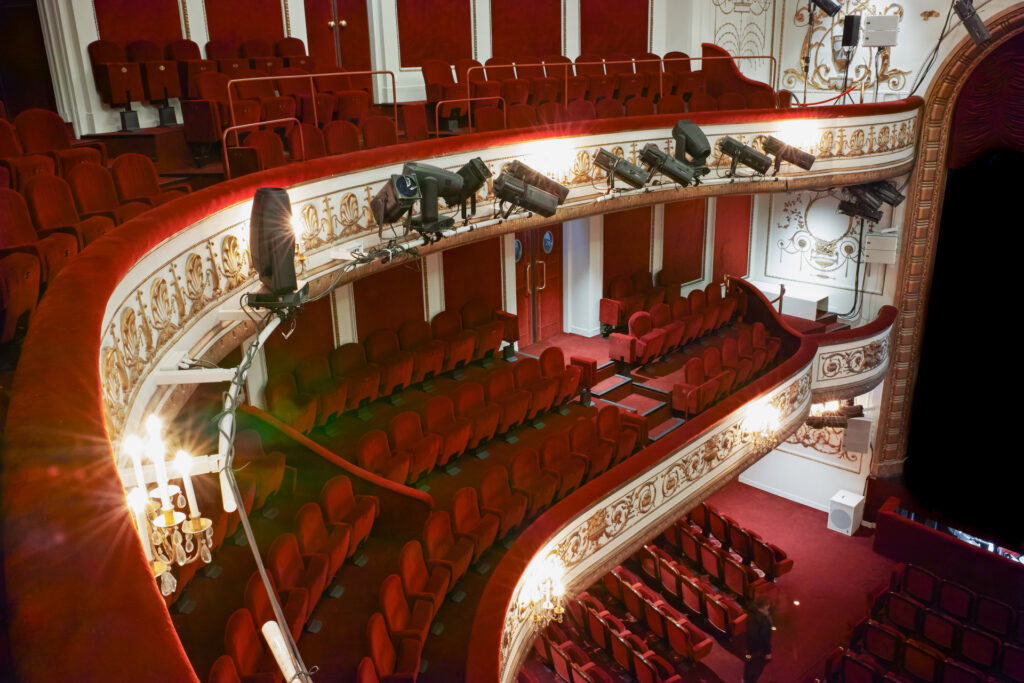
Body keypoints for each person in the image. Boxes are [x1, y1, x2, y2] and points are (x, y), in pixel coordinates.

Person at [743, 593, 775, 682]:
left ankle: (747, 659)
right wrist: (768, 652)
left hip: (749, 640)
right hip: (758, 646)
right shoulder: (765, 620)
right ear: (766, 606)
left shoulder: (750, 611)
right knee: (757, 667)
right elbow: (766, 639)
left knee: (749, 656)